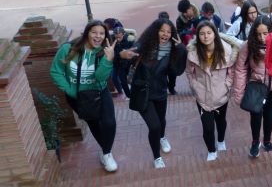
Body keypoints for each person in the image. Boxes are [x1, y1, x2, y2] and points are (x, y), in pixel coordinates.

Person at [50, 20, 118, 172]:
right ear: (87, 33)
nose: (98, 36)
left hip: (99, 93)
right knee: (94, 123)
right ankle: (107, 154)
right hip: (78, 96)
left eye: (102, 33)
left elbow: (100, 77)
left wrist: (108, 60)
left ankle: (106, 152)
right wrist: (70, 90)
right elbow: (56, 71)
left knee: (109, 123)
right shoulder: (69, 49)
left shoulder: (104, 52)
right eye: (94, 32)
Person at [120, 18, 187, 168]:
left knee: (161, 120)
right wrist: (122, 55)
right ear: (155, 31)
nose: (165, 34)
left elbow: (176, 71)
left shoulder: (172, 50)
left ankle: (162, 137)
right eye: (162, 30)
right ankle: (157, 157)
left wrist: (182, 49)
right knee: (154, 126)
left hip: (160, 92)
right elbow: (125, 61)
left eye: (168, 32)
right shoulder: (143, 46)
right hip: (143, 93)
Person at [186, 21, 239, 161]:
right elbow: (189, 72)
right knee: (208, 127)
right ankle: (211, 150)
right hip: (202, 97)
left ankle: (221, 140)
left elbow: (232, 71)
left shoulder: (227, 51)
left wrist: (227, 85)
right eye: (202, 34)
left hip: (221, 95)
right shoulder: (193, 52)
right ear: (198, 36)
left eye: (209, 33)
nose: (206, 36)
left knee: (221, 122)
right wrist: (195, 86)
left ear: (215, 34)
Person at [233, 15, 272, 158]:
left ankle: (267, 141)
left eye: (265, 33)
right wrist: (239, 93)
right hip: (256, 87)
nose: (262, 37)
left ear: (271, 31)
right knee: (255, 116)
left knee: (269, 116)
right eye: (258, 34)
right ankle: (255, 142)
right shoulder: (247, 46)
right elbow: (240, 70)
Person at [111, 26, 132, 100]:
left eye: (119, 37)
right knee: (114, 77)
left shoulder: (129, 40)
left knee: (124, 80)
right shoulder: (111, 39)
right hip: (115, 63)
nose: (118, 39)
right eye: (116, 37)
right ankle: (121, 92)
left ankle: (129, 95)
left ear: (123, 34)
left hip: (124, 63)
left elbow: (132, 51)